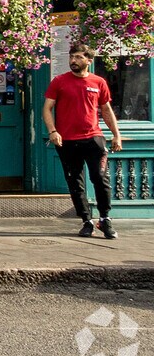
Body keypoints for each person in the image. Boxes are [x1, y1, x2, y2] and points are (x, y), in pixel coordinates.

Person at [45, 45, 125, 239]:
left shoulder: (98, 82)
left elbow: (106, 110)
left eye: (79, 57)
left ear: (89, 60)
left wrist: (116, 134)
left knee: (100, 178)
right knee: (75, 182)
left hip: (93, 138)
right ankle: (86, 221)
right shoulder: (59, 81)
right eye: (71, 56)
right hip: (67, 140)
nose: (73, 60)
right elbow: (47, 108)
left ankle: (105, 219)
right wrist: (53, 131)